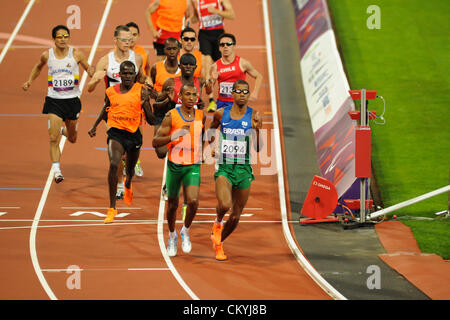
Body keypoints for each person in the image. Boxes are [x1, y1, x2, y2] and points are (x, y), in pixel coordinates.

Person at [22, 25, 94, 183]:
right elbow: (38, 67)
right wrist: (29, 81)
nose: (63, 39)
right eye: (59, 37)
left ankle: (65, 130)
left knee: (72, 138)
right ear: (54, 39)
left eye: (65, 36)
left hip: (72, 101)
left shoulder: (76, 54)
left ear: (69, 38)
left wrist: (93, 73)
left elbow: (89, 68)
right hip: (54, 101)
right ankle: (57, 170)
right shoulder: (47, 56)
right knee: (53, 138)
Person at [87, 25, 151, 199]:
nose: (127, 43)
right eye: (124, 40)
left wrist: (150, 85)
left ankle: (129, 171)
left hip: (133, 108)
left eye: (130, 40)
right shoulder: (105, 61)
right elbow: (90, 88)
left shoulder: (137, 58)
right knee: (118, 152)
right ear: (115, 39)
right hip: (113, 111)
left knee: (130, 149)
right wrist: (95, 81)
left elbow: (143, 78)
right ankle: (121, 185)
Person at [88, 61, 153, 224]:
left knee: (129, 170)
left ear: (135, 75)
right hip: (116, 133)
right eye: (125, 73)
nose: (128, 76)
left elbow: (151, 120)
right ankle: (111, 208)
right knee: (114, 164)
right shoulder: (111, 91)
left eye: (131, 73)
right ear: (119, 74)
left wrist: (147, 104)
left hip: (134, 135)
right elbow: (106, 108)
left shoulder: (142, 91)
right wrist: (94, 126)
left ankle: (128, 183)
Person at [207, 80, 262, 260]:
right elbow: (211, 131)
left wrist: (258, 130)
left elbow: (259, 148)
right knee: (224, 204)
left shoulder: (253, 115)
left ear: (248, 94)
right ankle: (217, 223)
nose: (242, 94)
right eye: (238, 91)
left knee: (236, 216)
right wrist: (213, 146)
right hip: (224, 166)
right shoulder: (221, 114)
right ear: (232, 94)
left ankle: (219, 243)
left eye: (245, 92)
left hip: (244, 169)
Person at [152, 83, 206, 257]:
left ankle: (185, 230)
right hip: (175, 164)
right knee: (173, 205)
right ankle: (172, 235)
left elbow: (201, 135)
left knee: (193, 201)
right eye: (187, 94)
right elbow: (155, 141)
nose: (191, 98)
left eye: (194, 95)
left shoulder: (200, 115)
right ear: (180, 97)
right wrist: (173, 136)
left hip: (193, 165)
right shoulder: (171, 116)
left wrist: (202, 151)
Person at [190, 0, 235, 112]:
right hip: (204, 35)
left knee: (222, 68)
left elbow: (232, 15)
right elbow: (196, 17)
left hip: (219, 34)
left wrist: (216, 11)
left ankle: (226, 99)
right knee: (206, 68)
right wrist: (188, 20)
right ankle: (211, 101)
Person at [210, 33, 262, 111]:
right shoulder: (214, 66)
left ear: (234, 46)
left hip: (239, 102)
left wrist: (255, 92)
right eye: (222, 44)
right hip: (222, 103)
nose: (225, 47)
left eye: (229, 44)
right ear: (219, 48)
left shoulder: (243, 63)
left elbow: (259, 76)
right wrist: (211, 80)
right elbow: (209, 91)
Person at [126, 21, 152, 176]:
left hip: (137, 99)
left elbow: (146, 73)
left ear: (138, 36)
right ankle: (124, 163)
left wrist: (148, 83)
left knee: (138, 134)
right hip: (122, 99)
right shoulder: (116, 54)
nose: (131, 38)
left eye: (134, 35)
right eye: (128, 35)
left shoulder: (143, 53)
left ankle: (135, 162)